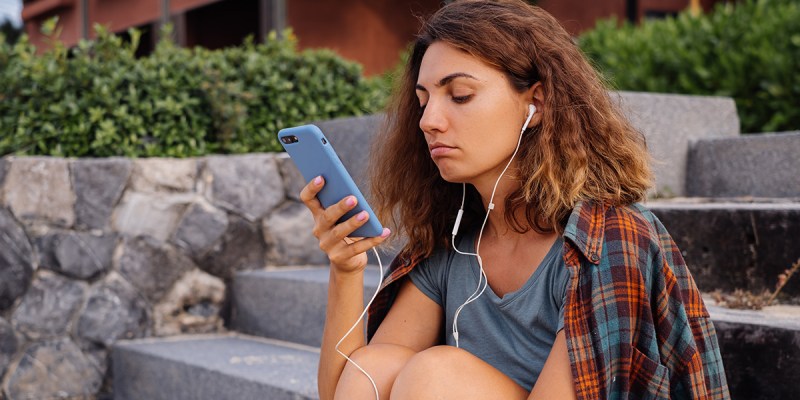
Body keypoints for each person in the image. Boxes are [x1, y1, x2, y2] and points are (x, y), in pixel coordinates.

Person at [300, 1, 730, 399]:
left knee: (435, 374)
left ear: (536, 103)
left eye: (460, 95)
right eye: (423, 101)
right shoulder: (450, 244)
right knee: (378, 363)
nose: (429, 121)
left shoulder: (608, 239)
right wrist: (346, 269)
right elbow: (347, 389)